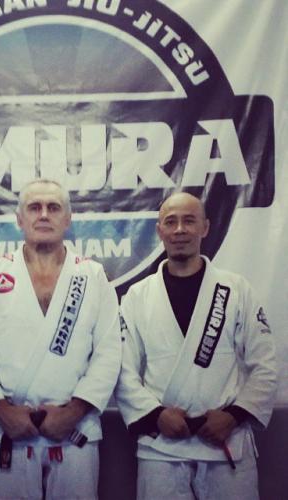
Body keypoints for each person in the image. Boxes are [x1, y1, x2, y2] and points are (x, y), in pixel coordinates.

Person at [0, 179, 122, 499]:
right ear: (19, 219)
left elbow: (108, 351)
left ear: (68, 219)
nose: (44, 214)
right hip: (10, 428)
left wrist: (73, 412)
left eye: (54, 207)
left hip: (75, 429)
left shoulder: (92, 276)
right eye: (34, 207)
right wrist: (2, 411)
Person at [115, 191, 277, 500]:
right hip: (161, 446)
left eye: (189, 221)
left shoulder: (236, 289)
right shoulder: (137, 296)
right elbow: (122, 370)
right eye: (170, 222)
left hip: (226, 440)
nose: (179, 230)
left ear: (205, 227)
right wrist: (156, 415)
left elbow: (265, 365)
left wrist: (234, 416)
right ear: (159, 231)